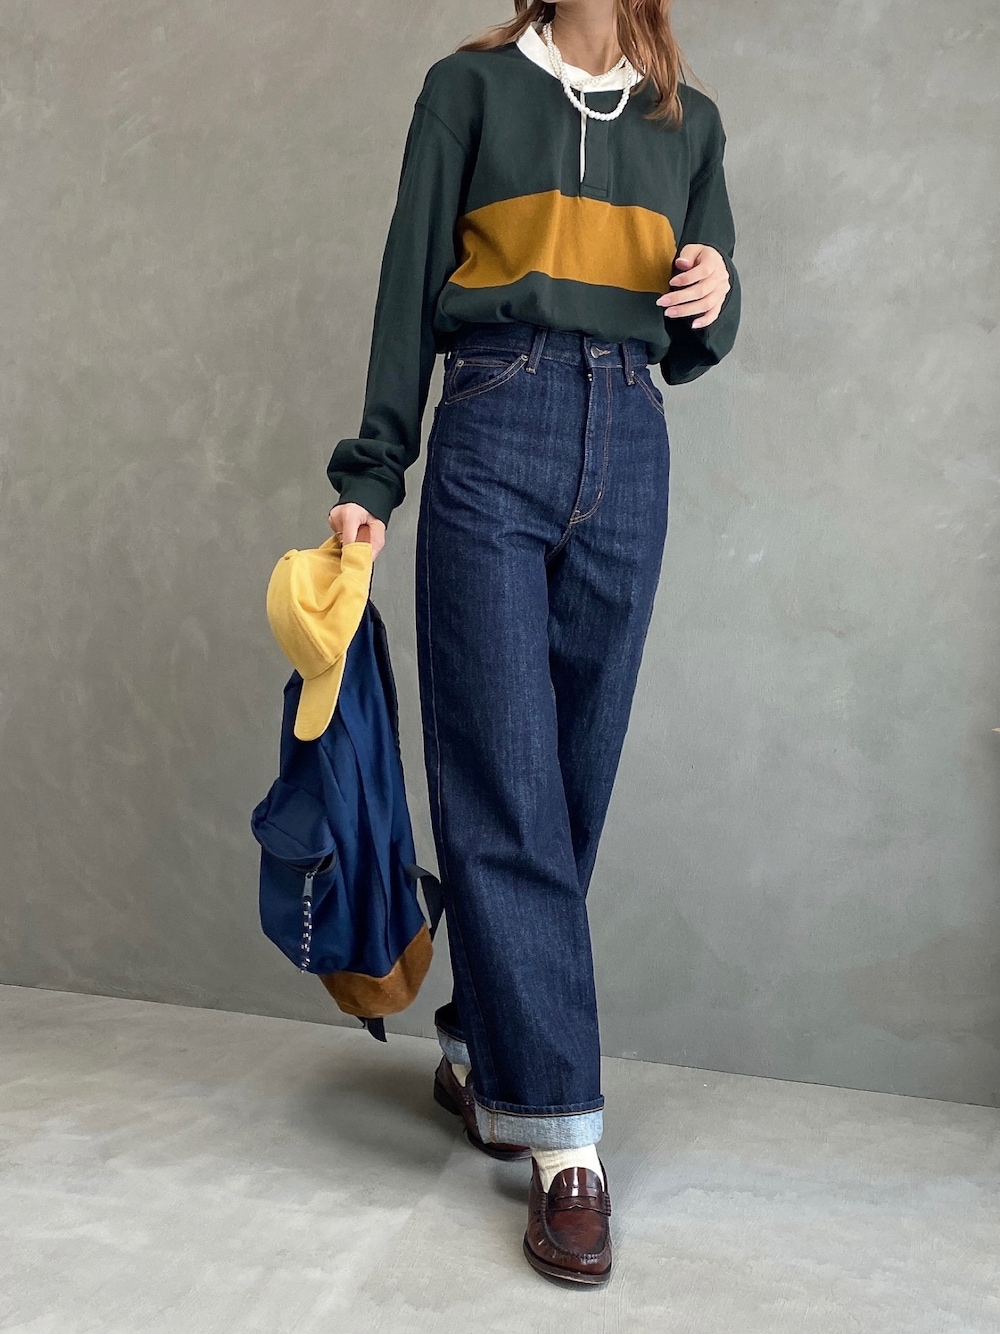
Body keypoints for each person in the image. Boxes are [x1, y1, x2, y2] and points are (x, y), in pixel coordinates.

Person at [326, 0, 741, 1285]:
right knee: (502, 776)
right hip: (493, 420)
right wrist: (373, 473)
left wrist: (715, 293)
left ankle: (477, 1047)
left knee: (567, 783)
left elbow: (697, 332)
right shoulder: (469, 91)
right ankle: (565, 1141)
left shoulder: (688, 123)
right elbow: (408, 283)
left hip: (630, 439)